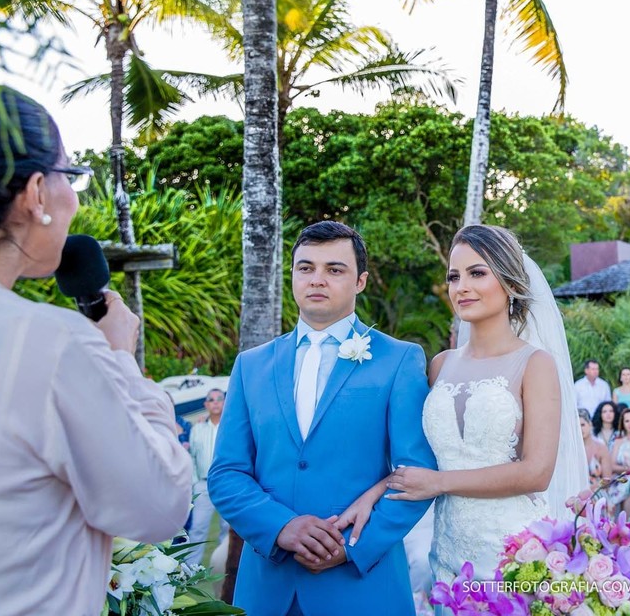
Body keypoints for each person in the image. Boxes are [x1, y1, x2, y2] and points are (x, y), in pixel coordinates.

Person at [0, 84, 192, 616]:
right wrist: (121, 364)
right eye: (71, 176)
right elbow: (161, 506)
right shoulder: (52, 343)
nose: (74, 198)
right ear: (36, 192)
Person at [208, 221, 437, 616]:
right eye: (306, 267)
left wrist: (350, 547)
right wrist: (281, 527)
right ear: (292, 275)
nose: (317, 279)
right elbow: (226, 473)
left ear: (360, 281)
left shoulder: (399, 359)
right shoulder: (251, 366)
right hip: (268, 586)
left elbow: (416, 470)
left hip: (362, 587)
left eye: (334, 269)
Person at [336, 225, 584, 584]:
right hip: (448, 555)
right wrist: (374, 493)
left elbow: (536, 473)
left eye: (477, 273)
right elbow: (425, 462)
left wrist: (439, 483)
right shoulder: (440, 364)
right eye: (454, 277)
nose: (461, 287)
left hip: (513, 556)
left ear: (511, 284)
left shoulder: (535, 363)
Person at [187, 389, 228, 561]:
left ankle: (225, 567)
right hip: (204, 485)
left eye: (219, 399)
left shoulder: (231, 426)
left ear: (225, 402)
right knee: (197, 528)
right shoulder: (198, 428)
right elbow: (192, 457)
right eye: (211, 399)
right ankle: (190, 570)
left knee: (229, 529)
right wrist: (195, 483)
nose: (216, 402)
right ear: (206, 404)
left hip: (227, 483)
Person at [579, 409, 611, 490]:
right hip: (576, 493)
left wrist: (591, 488)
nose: (580, 429)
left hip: (597, 491)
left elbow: (607, 480)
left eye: (582, 425)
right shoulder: (570, 451)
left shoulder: (601, 447)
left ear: (590, 424)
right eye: (576, 426)